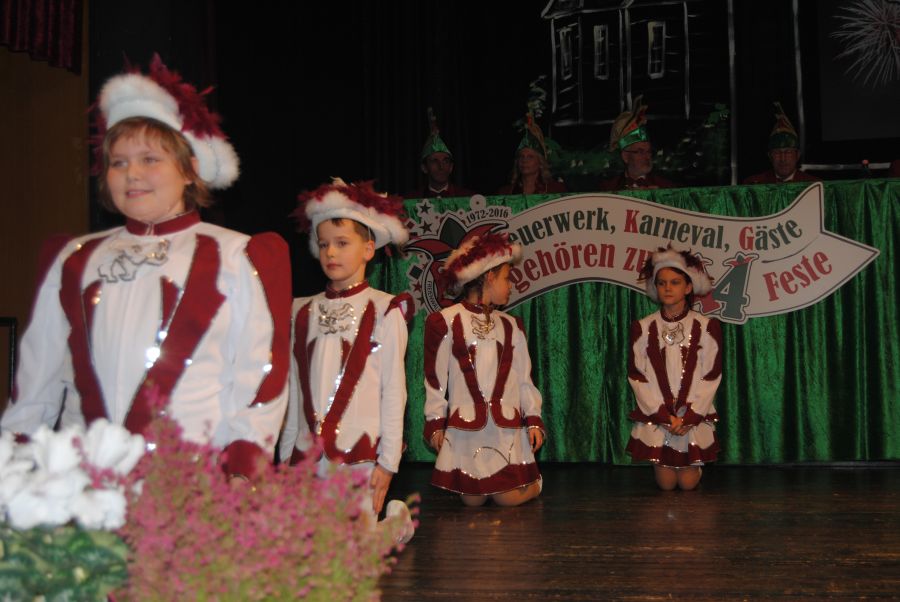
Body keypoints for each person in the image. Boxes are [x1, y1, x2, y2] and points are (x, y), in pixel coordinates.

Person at [1, 55, 292, 481]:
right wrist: (12, 466)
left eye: (149, 159)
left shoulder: (236, 255)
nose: (132, 174)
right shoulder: (75, 258)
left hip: (193, 485)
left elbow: (258, 375)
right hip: (83, 486)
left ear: (190, 170)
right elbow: (36, 378)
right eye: (118, 162)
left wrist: (245, 469)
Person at [279, 178, 415, 542]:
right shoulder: (301, 311)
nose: (331, 253)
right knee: (302, 547)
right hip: (309, 454)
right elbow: (295, 390)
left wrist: (388, 462)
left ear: (368, 249)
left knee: (349, 555)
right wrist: (286, 456)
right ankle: (385, 529)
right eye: (324, 244)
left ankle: (395, 523)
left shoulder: (386, 309)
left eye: (342, 243)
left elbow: (393, 390)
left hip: (359, 453)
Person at [424, 232, 545, 506]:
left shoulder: (512, 326)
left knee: (506, 499)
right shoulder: (444, 321)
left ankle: (534, 483)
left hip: (504, 429)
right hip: (466, 428)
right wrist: (435, 423)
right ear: (489, 277)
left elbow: (524, 379)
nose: (511, 285)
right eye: (507, 278)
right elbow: (434, 380)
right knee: (472, 502)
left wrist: (533, 419)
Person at [625, 246, 722, 491]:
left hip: (690, 417)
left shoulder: (706, 326)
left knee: (687, 485)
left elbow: (711, 375)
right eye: (662, 283)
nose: (668, 288)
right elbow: (637, 376)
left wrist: (690, 417)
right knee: (666, 485)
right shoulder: (643, 327)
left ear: (688, 288)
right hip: (661, 419)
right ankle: (668, 460)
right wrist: (662, 416)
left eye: (675, 282)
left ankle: (694, 466)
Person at [598, 96, 677, 191]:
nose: (647, 157)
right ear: (625, 156)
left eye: (649, 151)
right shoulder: (608, 188)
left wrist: (658, 196)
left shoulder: (666, 187)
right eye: (640, 151)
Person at [743, 102, 820, 184]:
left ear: (797, 155)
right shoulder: (754, 185)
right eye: (777, 152)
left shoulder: (813, 184)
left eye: (788, 152)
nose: (783, 159)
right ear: (770, 156)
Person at [406, 108, 473, 199]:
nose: (441, 167)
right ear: (424, 168)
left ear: (451, 167)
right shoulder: (412, 199)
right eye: (434, 161)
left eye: (445, 161)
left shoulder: (468, 198)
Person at [497, 113, 567, 195]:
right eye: (521, 156)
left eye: (530, 157)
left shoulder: (556, 190)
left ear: (540, 162)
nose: (524, 160)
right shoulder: (505, 192)